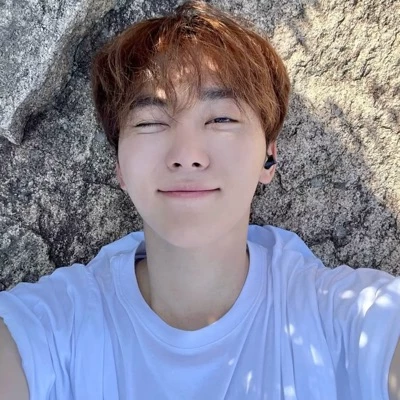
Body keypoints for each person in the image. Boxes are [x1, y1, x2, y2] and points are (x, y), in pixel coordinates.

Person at [1, 1, 400, 399]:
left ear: (269, 157)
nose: (187, 155)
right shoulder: (55, 326)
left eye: (221, 118)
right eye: (150, 121)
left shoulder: (341, 318)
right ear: (119, 166)